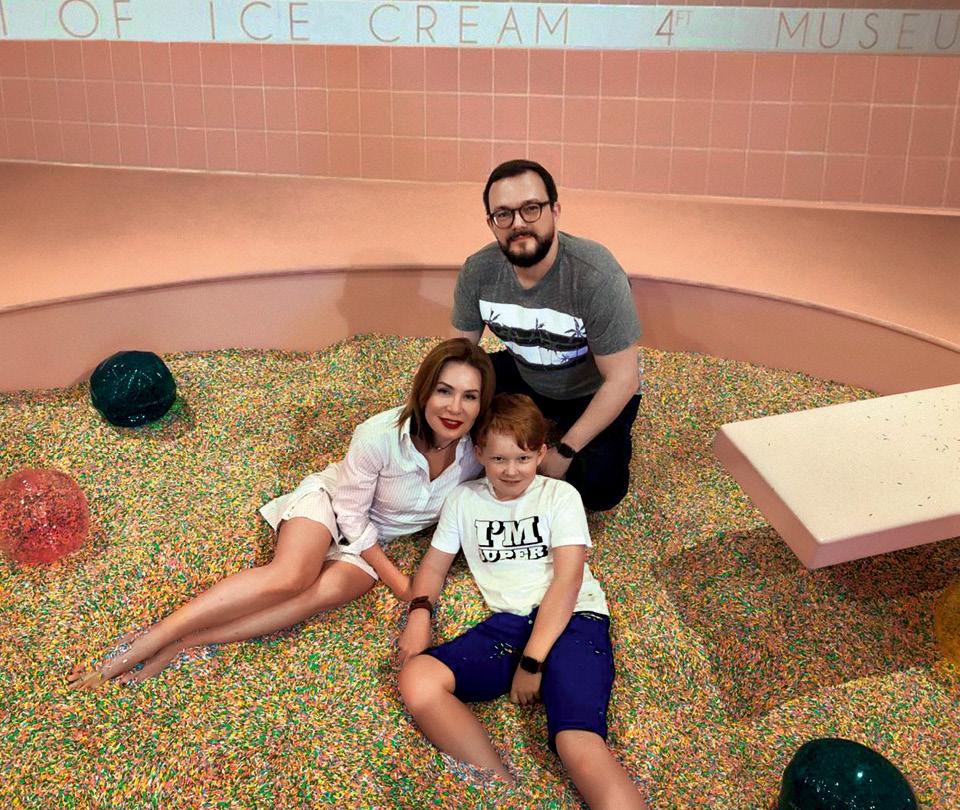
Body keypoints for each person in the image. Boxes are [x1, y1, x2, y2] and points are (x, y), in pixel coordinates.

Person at [68, 338, 495, 688]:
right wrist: (398, 581)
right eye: (444, 391)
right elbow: (349, 511)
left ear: (482, 404)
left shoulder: (478, 454)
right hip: (333, 502)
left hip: (377, 538)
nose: (454, 408)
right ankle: (145, 643)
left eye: (470, 396)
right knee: (292, 576)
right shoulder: (378, 435)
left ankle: (186, 643)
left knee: (317, 597)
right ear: (424, 390)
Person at [396, 394, 648, 810]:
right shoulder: (464, 501)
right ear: (479, 454)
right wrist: (419, 615)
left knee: (574, 739)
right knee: (417, 678)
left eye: (523, 458)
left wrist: (531, 664)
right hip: (510, 623)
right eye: (499, 459)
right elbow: (434, 567)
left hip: (573, 617)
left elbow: (568, 580)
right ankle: (500, 789)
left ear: (541, 454)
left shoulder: (559, 496)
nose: (511, 470)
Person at [453, 159, 643, 512]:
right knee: (453, 407)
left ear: (554, 210)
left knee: (601, 489)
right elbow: (457, 356)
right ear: (491, 223)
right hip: (525, 370)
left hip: (592, 387)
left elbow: (623, 379)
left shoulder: (596, 276)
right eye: (503, 214)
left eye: (531, 208)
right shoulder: (478, 272)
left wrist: (564, 451)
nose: (518, 223)